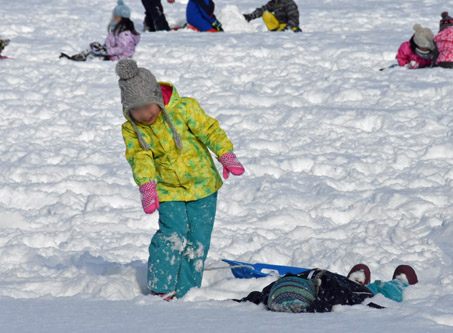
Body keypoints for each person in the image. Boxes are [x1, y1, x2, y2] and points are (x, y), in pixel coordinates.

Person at [115, 59, 245, 300]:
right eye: (136, 110)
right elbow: (139, 156)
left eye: (147, 107)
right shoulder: (132, 129)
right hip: (168, 190)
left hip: (203, 185)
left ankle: (187, 291)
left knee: (197, 240)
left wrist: (225, 154)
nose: (144, 115)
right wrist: (147, 185)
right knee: (171, 235)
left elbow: (209, 130)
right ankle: (161, 288)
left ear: (157, 98)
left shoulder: (184, 108)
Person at [237, 264, 418, 313]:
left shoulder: (269, 294)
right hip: (337, 286)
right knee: (376, 292)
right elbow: (364, 304)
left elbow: (255, 297)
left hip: (333, 283)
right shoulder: (327, 298)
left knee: (354, 291)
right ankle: (398, 285)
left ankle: (356, 285)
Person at [59, 0, 140, 62]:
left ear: (122, 18)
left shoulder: (125, 34)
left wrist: (105, 51)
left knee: (94, 57)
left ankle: (84, 60)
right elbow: (110, 44)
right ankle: (77, 57)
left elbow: (121, 49)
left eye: (116, 17)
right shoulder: (116, 30)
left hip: (118, 57)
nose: (113, 18)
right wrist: (102, 48)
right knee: (91, 49)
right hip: (110, 54)